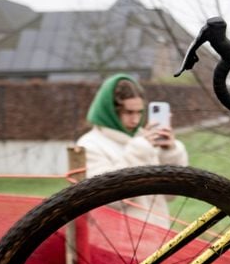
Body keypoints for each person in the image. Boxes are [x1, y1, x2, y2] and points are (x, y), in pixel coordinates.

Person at [74, 74, 189, 223]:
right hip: (115, 242)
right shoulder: (89, 144)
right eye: (128, 112)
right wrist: (138, 152)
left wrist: (169, 152)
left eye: (139, 112)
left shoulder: (145, 140)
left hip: (158, 238)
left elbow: (170, 195)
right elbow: (105, 201)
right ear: (110, 111)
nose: (135, 120)